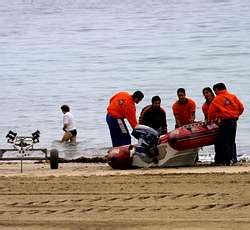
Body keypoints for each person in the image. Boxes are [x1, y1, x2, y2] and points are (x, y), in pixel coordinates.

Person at [208, 83, 244, 165]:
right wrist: (236, 115)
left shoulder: (217, 99)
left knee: (223, 141)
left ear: (217, 89)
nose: (215, 92)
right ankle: (233, 159)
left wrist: (212, 120)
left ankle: (226, 160)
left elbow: (211, 113)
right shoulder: (233, 96)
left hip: (224, 122)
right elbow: (241, 108)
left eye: (215, 91)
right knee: (231, 141)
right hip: (233, 121)